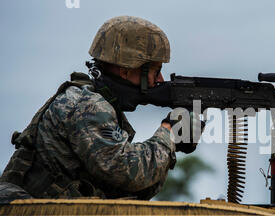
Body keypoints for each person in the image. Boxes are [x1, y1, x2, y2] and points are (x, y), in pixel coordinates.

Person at [0, 16, 199, 203]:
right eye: (156, 71)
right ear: (126, 70)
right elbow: (128, 172)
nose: (160, 80)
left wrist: (172, 146)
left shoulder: (100, 105)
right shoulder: (87, 105)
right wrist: (168, 132)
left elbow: (129, 189)